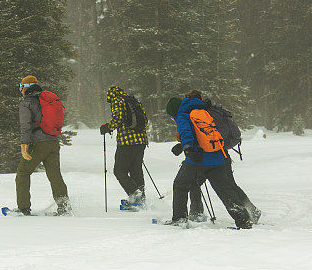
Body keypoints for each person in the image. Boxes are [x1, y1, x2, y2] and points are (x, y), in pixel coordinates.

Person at [166, 95, 261, 224]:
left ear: (175, 111)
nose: (173, 119)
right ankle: (243, 219)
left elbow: (186, 132)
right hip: (218, 157)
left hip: (197, 159)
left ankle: (179, 219)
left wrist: (187, 147)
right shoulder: (204, 111)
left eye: (172, 117)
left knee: (180, 185)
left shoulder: (183, 114)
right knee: (225, 190)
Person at [16, 75, 71, 216]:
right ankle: (64, 207)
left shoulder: (26, 103)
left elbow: (26, 125)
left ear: (26, 88)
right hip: (53, 142)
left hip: (38, 143)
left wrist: (24, 144)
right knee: (55, 175)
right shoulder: (46, 100)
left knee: (23, 173)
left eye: (21, 87)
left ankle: (23, 208)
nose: (21, 90)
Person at [100, 86, 149, 207]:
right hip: (141, 141)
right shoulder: (133, 101)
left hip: (126, 142)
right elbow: (145, 120)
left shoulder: (117, 100)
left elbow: (118, 118)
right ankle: (140, 199)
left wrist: (107, 127)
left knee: (119, 170)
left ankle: (135, 193)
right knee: (136, 170)